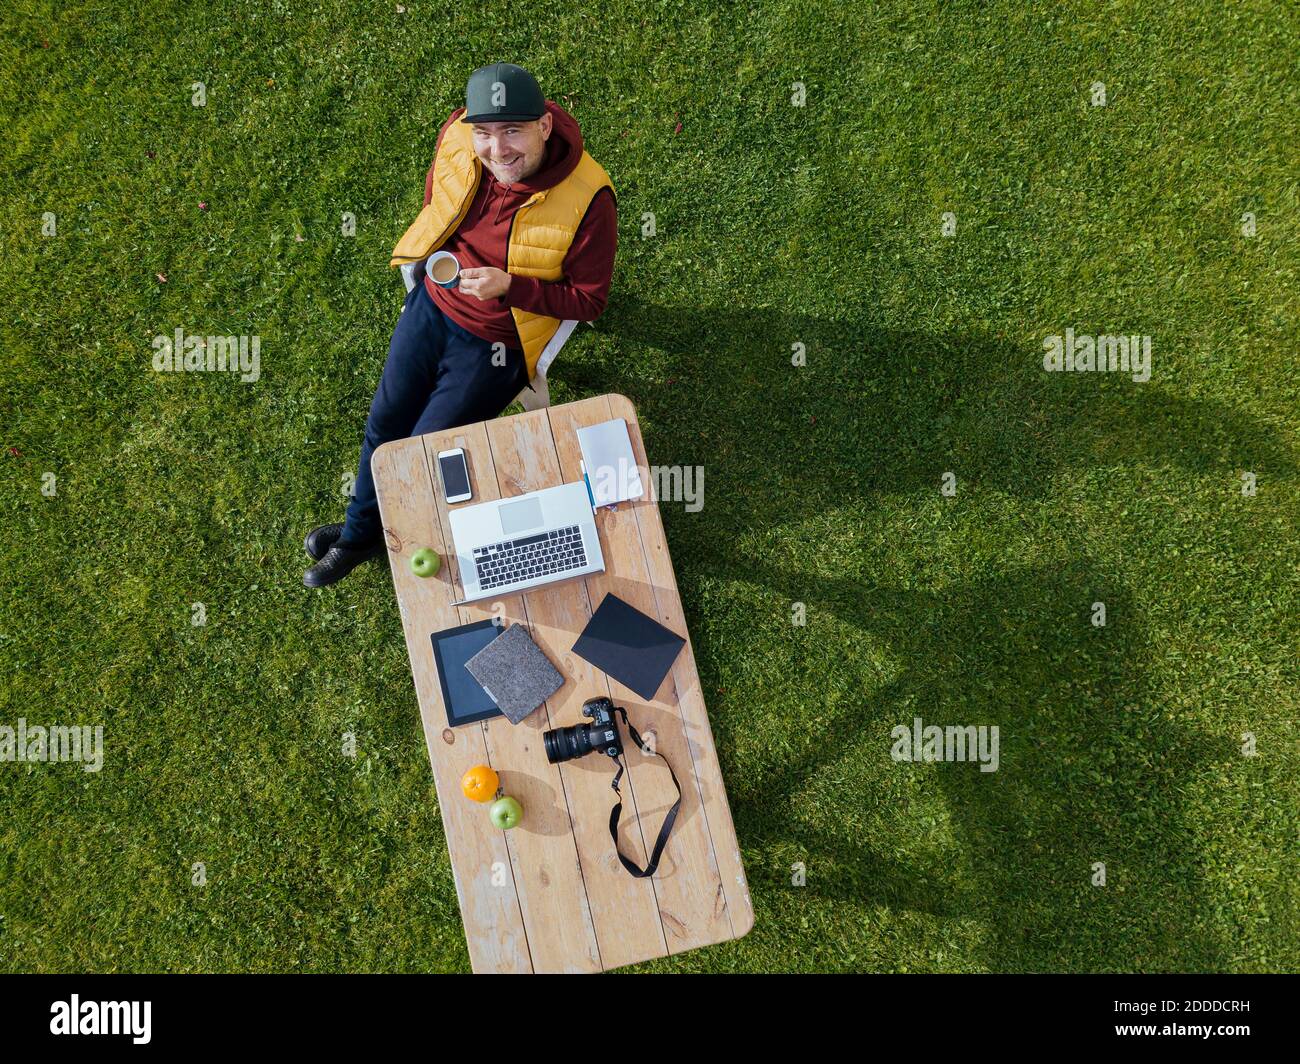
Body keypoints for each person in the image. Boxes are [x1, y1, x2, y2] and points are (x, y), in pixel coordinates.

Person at [303, 62, 617, 587]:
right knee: (384, 426)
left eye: (512, 132)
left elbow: (589, 300)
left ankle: (366, 533)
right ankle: (360, 536)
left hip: (499, 341)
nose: (497, 152)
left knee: (420, 449)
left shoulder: (589, 199)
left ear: (543, 126)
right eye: (486, 134)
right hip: (434, 302)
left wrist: (509, 286)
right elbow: (439, 198)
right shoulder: (459, 136)